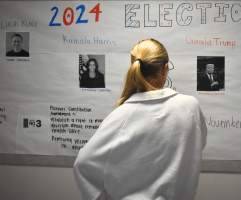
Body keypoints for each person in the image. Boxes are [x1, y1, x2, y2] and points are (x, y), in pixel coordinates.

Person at [74, 39, 207, 200]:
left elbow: (83, 164)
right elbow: (198, 144)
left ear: (134, 68)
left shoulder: (121, 115)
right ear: (165, 69)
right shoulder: (190, 107)